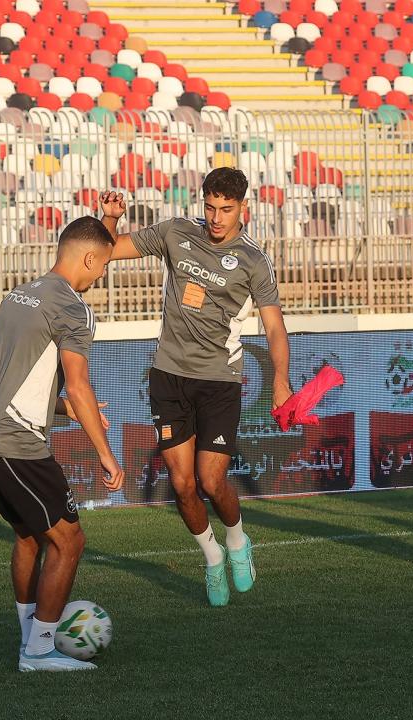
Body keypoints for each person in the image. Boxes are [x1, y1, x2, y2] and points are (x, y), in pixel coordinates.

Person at [99, 167, 292, 607]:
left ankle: (237, 540)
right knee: (183, 484)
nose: (217, 217)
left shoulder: (253, 260)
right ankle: (212, 557)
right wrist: (110, 218)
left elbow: (275, 328)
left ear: (244, 207)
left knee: (211, 478)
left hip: (219, 380)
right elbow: (108, 251)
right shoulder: (176, 232)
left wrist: (280, 380)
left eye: (226, 209)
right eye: (210, 207)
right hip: (168, 376)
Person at [0, 216, 124, 672]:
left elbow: (16, 377)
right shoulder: (73, 308)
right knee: (69, 540)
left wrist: (70, 410)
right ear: (88, 258)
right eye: (103, 265)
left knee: (30, 535)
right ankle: (38, 651)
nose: (101, 275)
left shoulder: (18, 295)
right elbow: (79, 384)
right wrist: (106, 453)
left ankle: (31, 635)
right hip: (13, 441)